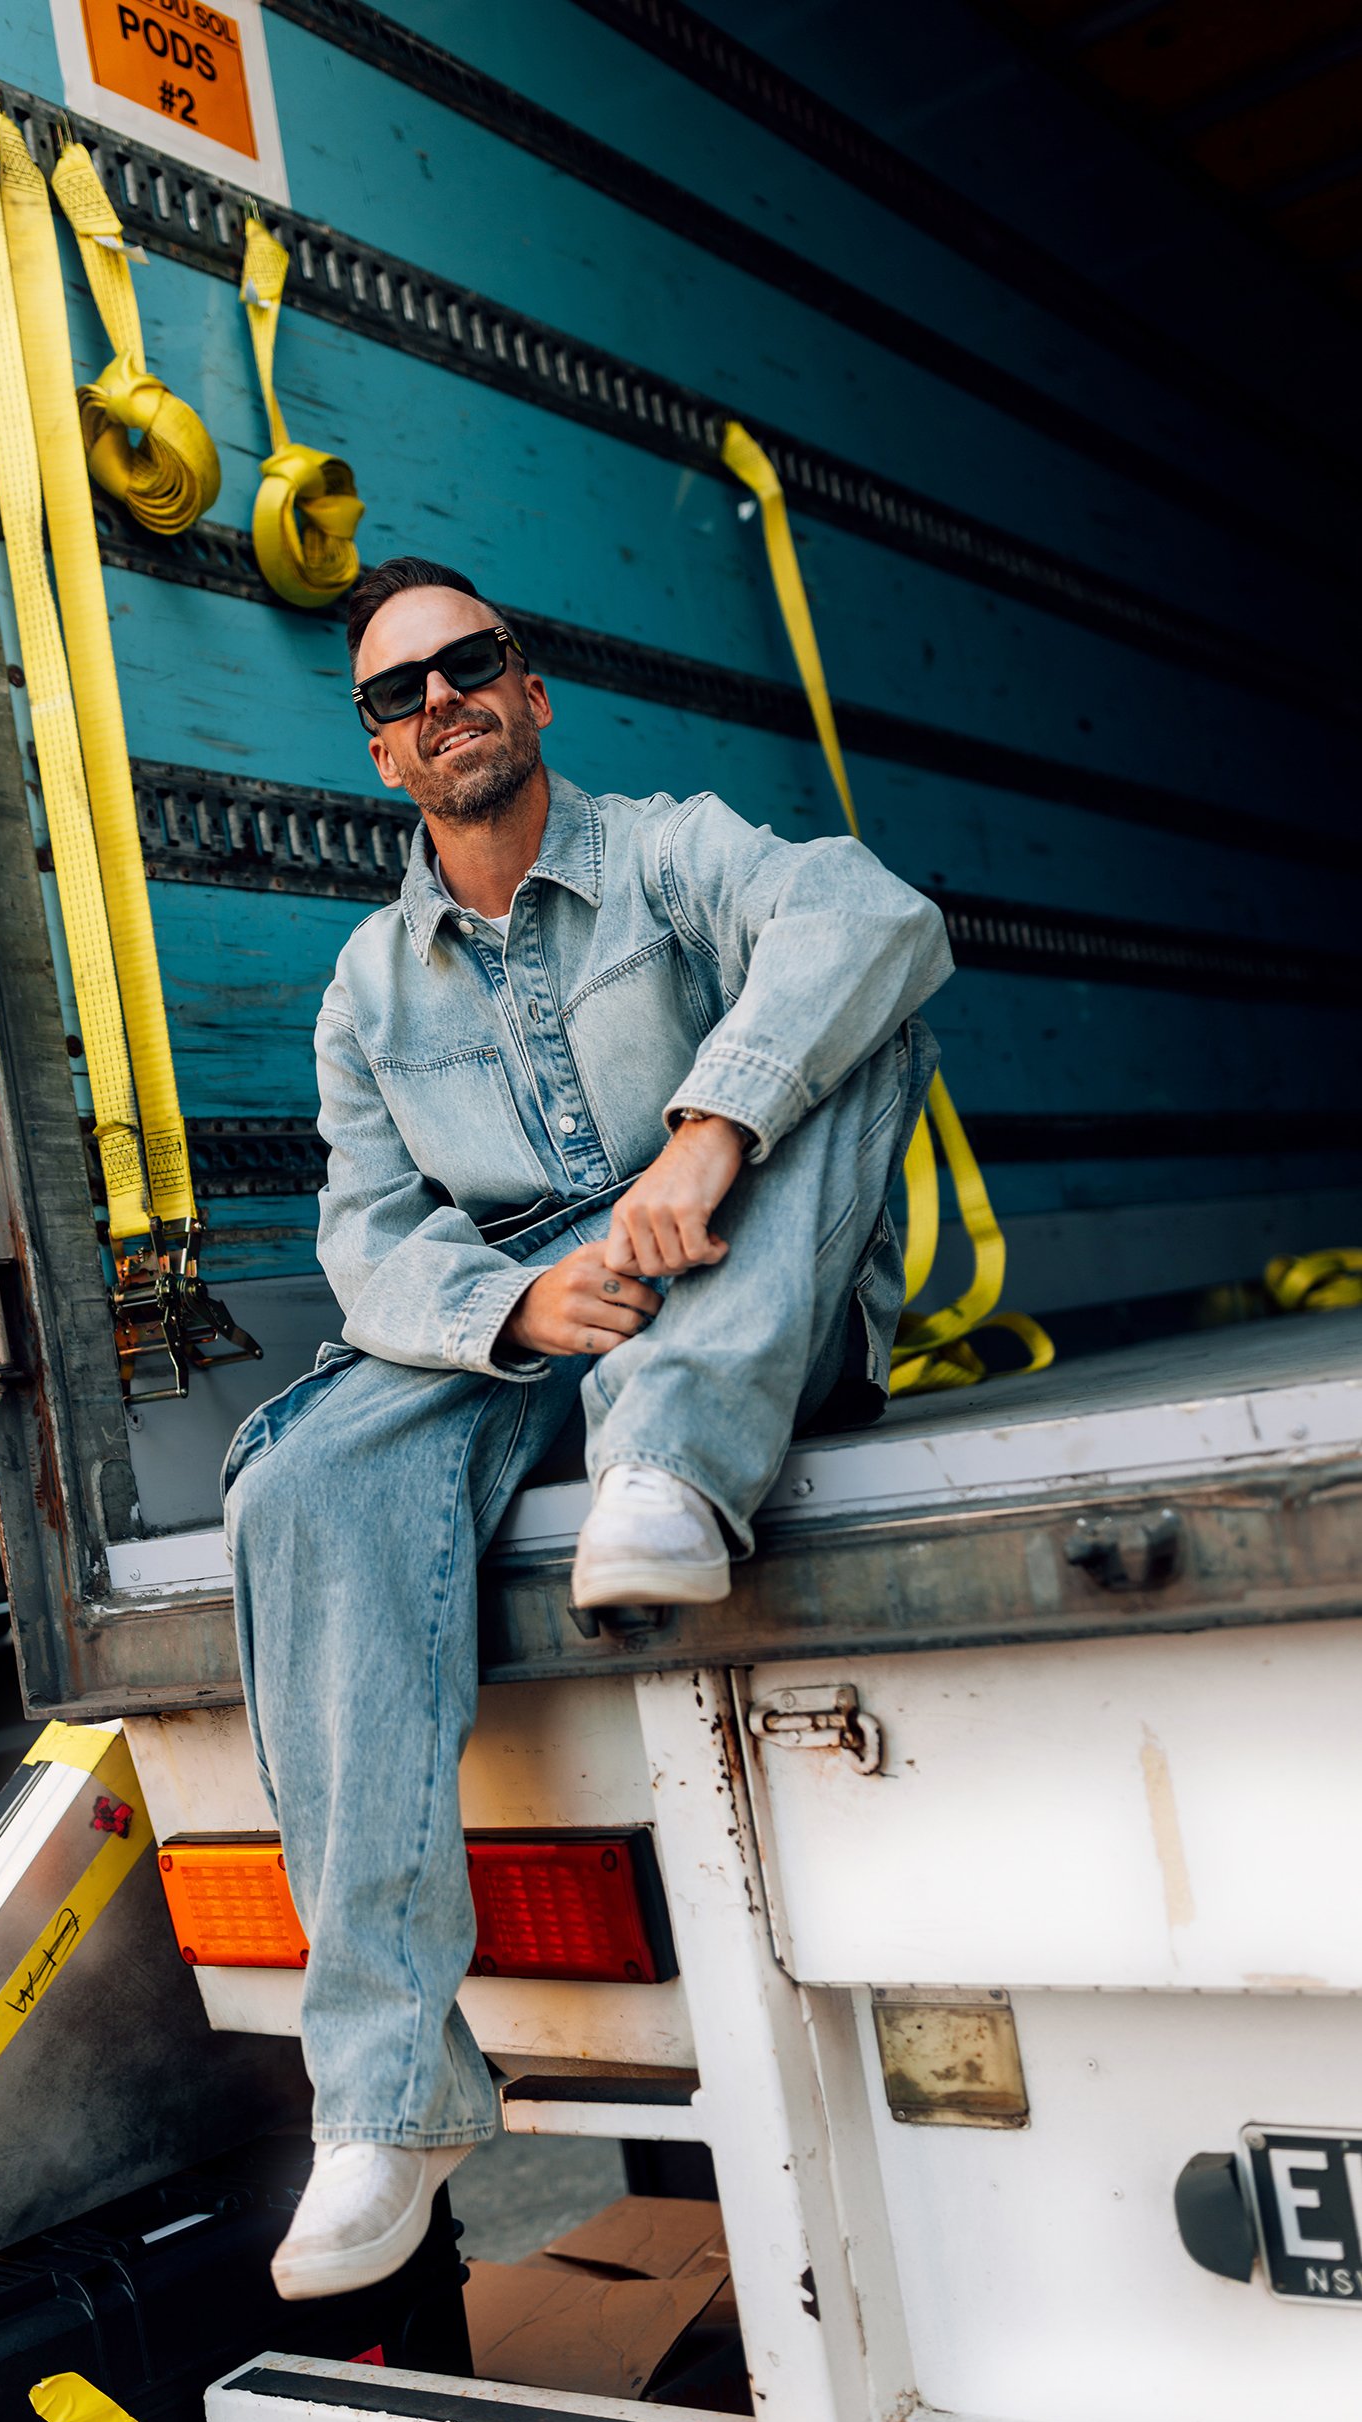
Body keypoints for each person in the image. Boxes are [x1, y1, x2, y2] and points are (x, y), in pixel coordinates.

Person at [223, 557, 951, 2301]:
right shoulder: (365, 991)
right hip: (549, 1332)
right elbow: (365, 1239)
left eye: (467, 665)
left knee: (865, 1021)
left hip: (740, 1285)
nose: (436, 704)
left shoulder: (670, 848)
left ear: (529, 690)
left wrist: (713, 1132)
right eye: (396, 695)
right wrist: (515, 1312)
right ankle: (391, 2099)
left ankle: (676, 1459)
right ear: (381, 755)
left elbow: (879, 918)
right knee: (309, 1467)